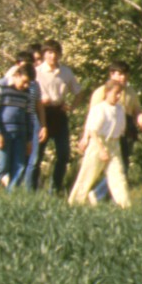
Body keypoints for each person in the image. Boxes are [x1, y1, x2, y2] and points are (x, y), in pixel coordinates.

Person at [68, 64, 136, 205]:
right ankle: (75, 202)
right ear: (107, 93)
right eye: (115, 93)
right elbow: (93, 130)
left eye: (119, 93)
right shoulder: (99, 109)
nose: (117, 96)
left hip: (114, 144)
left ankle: (125, 205)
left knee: (118, 176)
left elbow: (121, 129)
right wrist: (100, 149)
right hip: (98, 143)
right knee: (87, 174)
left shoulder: (120, 109)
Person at [0, 53, 39, 192]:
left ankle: (11, 195)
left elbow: (29, 114)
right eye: (24, 81)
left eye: (29, 83)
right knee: (2, 165)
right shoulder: (0, 85)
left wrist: (29, 139)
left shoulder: (28, 91)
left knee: (19, 166)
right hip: (3, 132)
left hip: (21, 132)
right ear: (16, 75)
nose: (26, 86)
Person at [34, 42, 79, 195]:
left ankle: (55, 187)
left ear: (60, 54)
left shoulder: (66, 72)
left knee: (64, 153)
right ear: (44, 54)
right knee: (37, 155)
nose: (52, 56)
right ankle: (33, 188)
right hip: (42, 113)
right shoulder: (37, 71)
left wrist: (72, 107)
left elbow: (79, 92)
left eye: (55, 53)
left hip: (59, 113)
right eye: (49, 52)